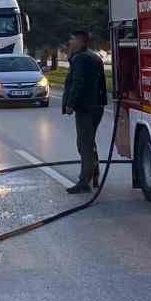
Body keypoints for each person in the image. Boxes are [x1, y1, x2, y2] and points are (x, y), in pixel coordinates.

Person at [60, 29, 108, 194]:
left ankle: (84, 182)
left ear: (81, 41)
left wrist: (70, 104)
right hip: (97, 106)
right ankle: (93, 174)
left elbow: (78, 83)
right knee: (89, 141)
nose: (70, 43)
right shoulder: (94, 57)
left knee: (84, 144)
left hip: (86, 107)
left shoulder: (80, 58)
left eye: (72, 40)